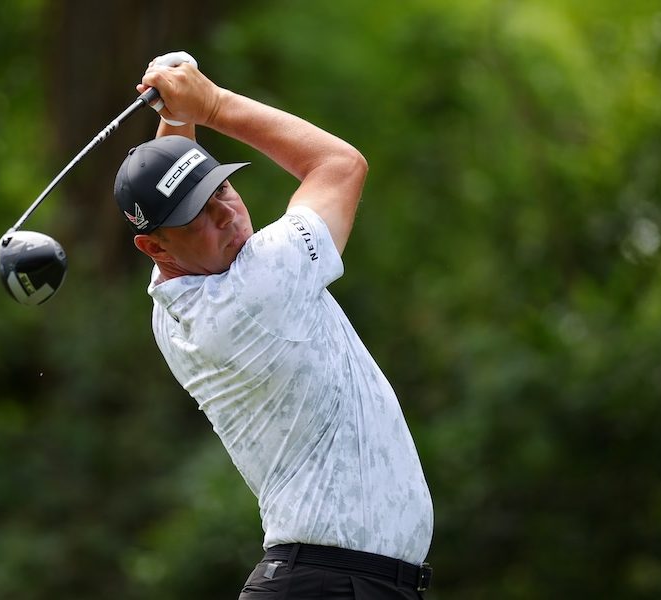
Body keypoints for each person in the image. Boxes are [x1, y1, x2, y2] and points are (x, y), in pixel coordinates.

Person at [114, 52, 434, 600]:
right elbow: (340, 166)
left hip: (333, 582)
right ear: (153, 245)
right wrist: (208, 102)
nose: (227, 214)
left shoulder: (172, 307)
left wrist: (173, 110)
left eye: (220, 189)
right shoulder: (259, 286)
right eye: (199, 215)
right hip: (331, 584)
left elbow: (174, 200)